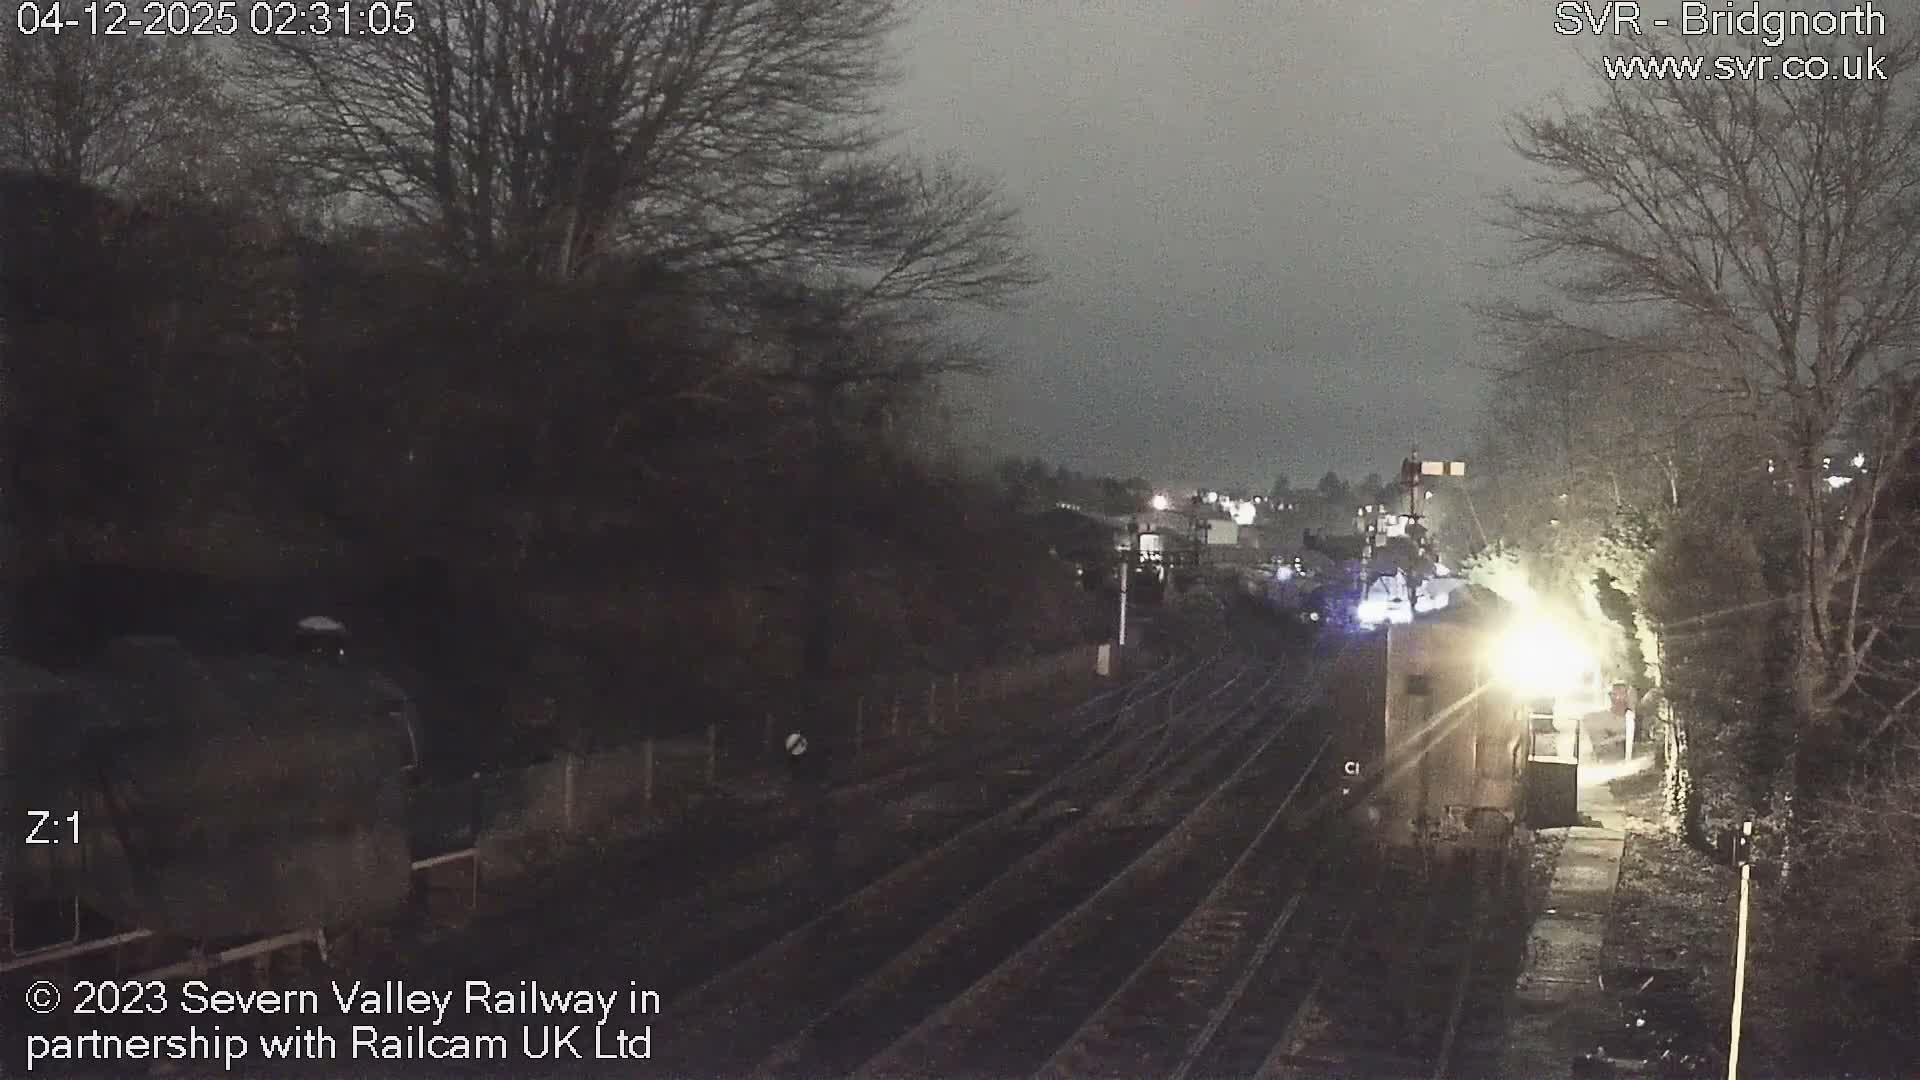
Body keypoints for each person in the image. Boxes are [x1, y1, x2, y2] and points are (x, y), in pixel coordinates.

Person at [784, 731, 838, 901]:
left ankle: (817, 886)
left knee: (815, 846)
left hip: (813, 803)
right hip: (813, 801)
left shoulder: (808, 759)